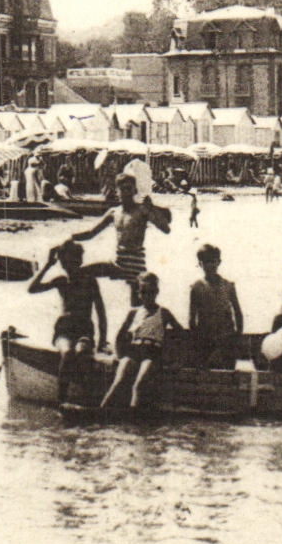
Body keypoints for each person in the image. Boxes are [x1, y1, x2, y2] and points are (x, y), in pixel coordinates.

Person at [71, 173, 172, 306]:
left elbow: (165, 229)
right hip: (118, 262)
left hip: (135, 264)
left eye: (129, 189)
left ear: (134, 190)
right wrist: (71, 238)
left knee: (137, 306)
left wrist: (151, 208)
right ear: (116, 192)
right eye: (122, 189)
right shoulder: (114, 212)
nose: (126, 193)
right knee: (80, 273)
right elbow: (91, 233)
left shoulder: (142, 210)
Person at [28, 240, 108, 403]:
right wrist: (48, 265)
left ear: (79, 261)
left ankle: (87, 400)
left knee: (83, 352)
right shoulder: (61, 281)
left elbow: (101, 312)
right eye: (64, 262)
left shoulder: (89, 281)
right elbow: (32, 289)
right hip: (64, 331)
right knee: (68, 353)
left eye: (72, 261)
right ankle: (62, 402)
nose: (68, 265)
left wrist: (101, 341)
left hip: (84, 331)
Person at [101, 273, 182, 409]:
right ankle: (100, 411)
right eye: (143, 292)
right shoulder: (134, 313)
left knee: (138, 385)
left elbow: (181, 334)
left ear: (156, 292)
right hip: (134, 350)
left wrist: (175, 357)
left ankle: (133, 414)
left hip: (152, 353)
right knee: (118, 381)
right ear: (139, 293)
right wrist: (119, 355)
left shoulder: (163, 312)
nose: (147, 296)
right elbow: (120, 336)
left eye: (150, 292)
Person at [187, 244, 243, 369]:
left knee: (227, 374)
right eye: (206, 262)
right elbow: (192, 319)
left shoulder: (228, 286)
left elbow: (238, 312)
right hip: (206, 340)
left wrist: (238, 336)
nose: (210, 265)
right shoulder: (196, 287)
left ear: (218, 262)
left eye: (213, 261)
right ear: (200, 264)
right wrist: (198, 340)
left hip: (226, 338)